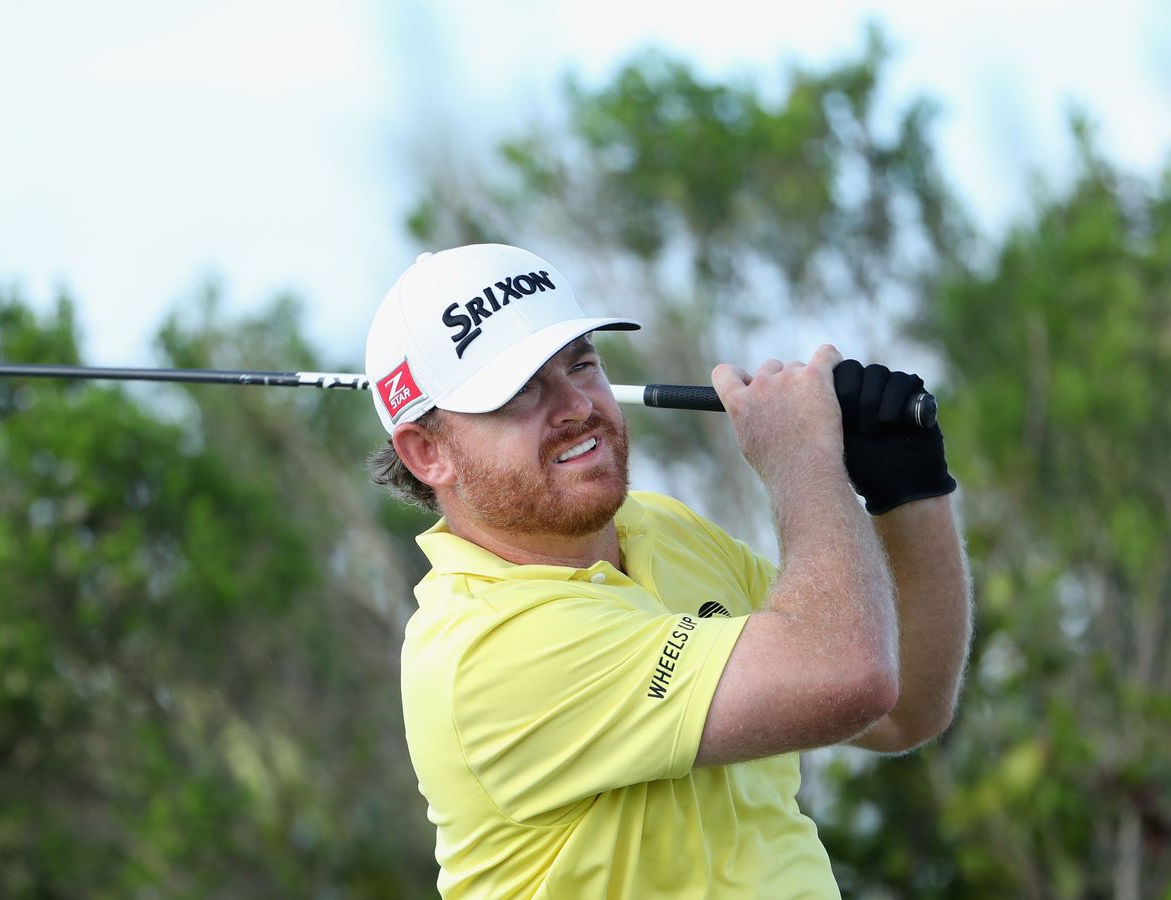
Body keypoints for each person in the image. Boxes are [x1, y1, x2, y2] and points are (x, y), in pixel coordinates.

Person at [363, 244, 971, 898]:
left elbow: (905, 707)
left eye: (581, 364)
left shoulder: (660, 527)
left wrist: (909, 490)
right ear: (428, 452)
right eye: (521, 392)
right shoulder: (483, 649)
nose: (575, 406)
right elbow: (849, 675)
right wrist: (803, 458)